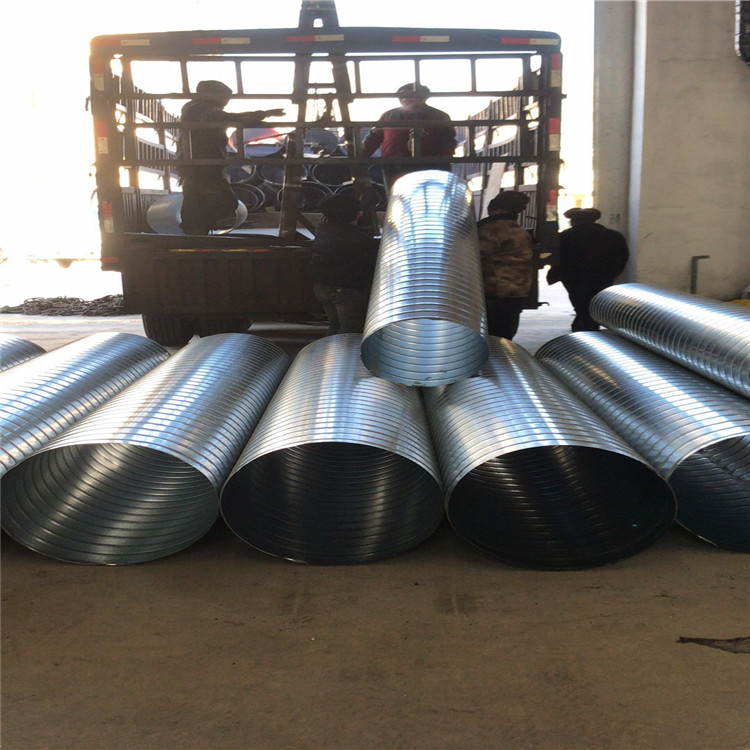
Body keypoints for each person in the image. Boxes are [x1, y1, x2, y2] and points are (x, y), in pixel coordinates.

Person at [177, 80, 284, 234]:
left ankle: (196, 231)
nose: (227, 101)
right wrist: (263, 115)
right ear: (213, 95)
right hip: (203, 164)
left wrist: (259, 116)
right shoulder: (200, 110)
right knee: (225, 202)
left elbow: (227, 117)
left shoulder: (196, 109)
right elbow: (229, 117)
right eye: (225, 96)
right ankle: (199, 226)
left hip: (199, 163)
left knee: (195, 199)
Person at [361, 83, 457, 192]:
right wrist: (361, 156)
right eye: (402, 96)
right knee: (397, 196)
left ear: (424, 97)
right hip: (395, 166)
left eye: (411, 95)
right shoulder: (388, 116)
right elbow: (374, 138)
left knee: (430, 196)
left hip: (430, 167)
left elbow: (448, 142)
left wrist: (440, 161)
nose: (405, 99)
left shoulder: (440, 117)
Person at [549, 207, 630, 331]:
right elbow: (623, 257)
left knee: (580, 303)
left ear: (573, 221)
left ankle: (584, 325)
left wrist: (559, 273)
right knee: (595, 302)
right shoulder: (614, 235)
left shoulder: (566, 236)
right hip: (603, 277)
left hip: (575, 277)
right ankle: (589, 324)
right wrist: (612, 273)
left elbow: (557, 257)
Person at [309, 194, 381, 335]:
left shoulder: (324, 228)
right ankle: (346, 350)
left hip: (323, 286)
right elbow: (372, 253)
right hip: (345, 288)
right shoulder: (355, 238)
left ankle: (329, 348)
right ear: (357, 213)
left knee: (335, 326)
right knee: (351, 330)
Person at [476, 191, 536, 340]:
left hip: (496, 290)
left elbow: (475, 254)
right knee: (505, 333)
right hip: (517, 289)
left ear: (492, 208)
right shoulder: (517, 229)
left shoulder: (492, 229)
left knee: (493, 336)